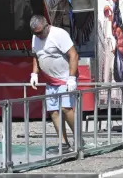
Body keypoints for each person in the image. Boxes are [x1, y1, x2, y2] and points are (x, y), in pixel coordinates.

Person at [29, 15, 79, 149]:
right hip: (50, 80)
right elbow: (36, 55)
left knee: (65, 108)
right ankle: (63, 142)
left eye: (40, 32)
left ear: (46, 26)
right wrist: (34, 73)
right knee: (53, 111)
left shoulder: (59, 34)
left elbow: (73, 55)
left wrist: (72, 78)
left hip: (64, 78)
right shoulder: (35, 37)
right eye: (35, 33)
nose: (38, 35)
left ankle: (78, 138)